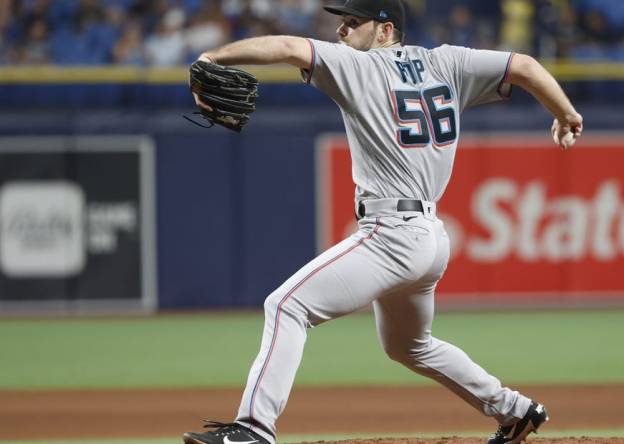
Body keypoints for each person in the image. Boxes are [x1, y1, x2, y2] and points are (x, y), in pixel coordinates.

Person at [183, 0, 583, 443]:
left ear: (386, 30)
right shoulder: (447, 62)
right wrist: (564, 112)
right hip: (430, 236)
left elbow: (286, 45)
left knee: (286, 306)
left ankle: (254, 429)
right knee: (409, 346)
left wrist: (213, 57)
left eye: (354, 23)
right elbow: (523, 65)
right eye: (342, 23)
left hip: (391, 234)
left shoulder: (359, 66)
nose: (342, 32)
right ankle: (515, 411)